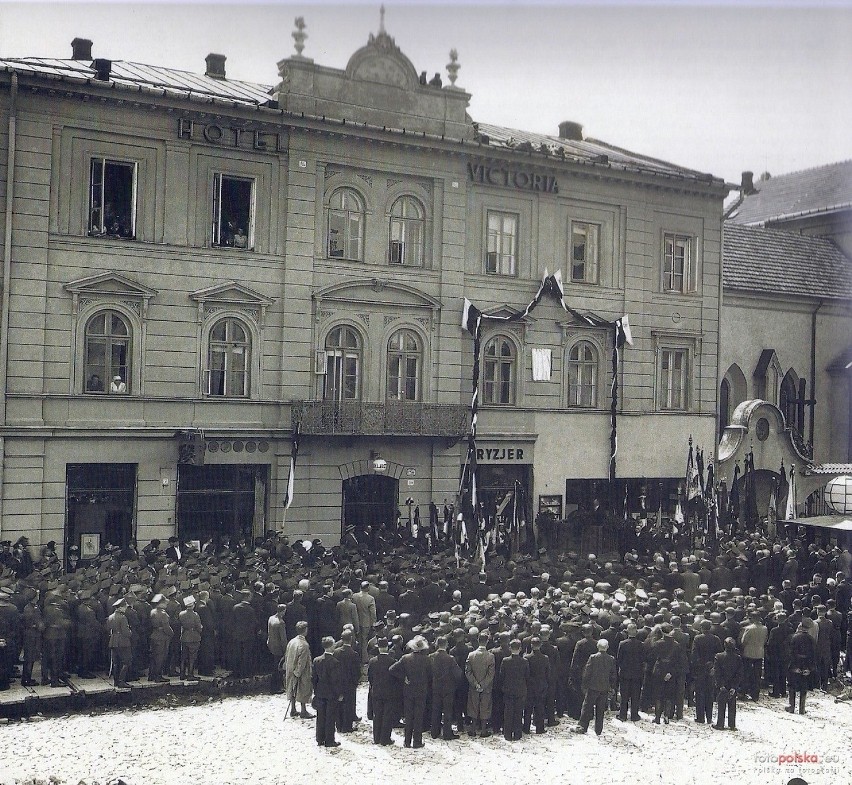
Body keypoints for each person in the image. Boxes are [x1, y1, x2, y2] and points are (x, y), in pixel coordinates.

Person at [389, 634, 431, 748]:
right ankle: (417, 741)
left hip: (408, 690)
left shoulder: (405, 658)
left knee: (408, 716)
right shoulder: (427, 660)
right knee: (418, 716)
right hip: (421, 690)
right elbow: (431, 675)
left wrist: (404, 677)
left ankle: (407, 741)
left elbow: (392, 669)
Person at [573, 639, 616, 736]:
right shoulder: (611, 659)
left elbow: (587, 672)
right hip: (604, 688)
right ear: (607, 647)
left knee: (587, 707)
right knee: (600, 710)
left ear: (597, 646)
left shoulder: (593, 658)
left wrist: (584, 685)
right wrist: (612, 687)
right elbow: (613, 674)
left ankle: (583, 726)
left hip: (592, 687)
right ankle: (598, 729)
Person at [312, 636, 343, 748]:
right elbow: (336, 681)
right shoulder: (335, 662)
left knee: (320, 716)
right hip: (331, 694)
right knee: (330, 717)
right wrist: (339, 693)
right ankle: (329, 740)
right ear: (330, 646)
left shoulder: (317, 660)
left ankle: (320, 739)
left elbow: (314, 678)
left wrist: (316, 691)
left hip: (320, 693)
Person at [430, 635, 462, 740]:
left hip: (435, 687)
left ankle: (434, 732)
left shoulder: (431, 657)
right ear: (446, 645)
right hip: (448, 688)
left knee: (436, 710)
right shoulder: (450, 658)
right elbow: (458, 673)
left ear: (436, 644)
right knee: (447, 711)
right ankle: (447, 733)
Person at [691, 619, 723, 724]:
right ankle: (709, 717)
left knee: (700, 693)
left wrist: (697, 666)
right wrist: (714, 666)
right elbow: (719, 654)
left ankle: (700, 717)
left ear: (701, 627)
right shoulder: (716, 639)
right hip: (711, 669)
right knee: (710, 693)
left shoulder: (698, 638)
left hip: (700, 669)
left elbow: (694, 655)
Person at [368, 638, 398, 745]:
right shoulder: (392, 661)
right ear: (387, 647)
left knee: (377, 715)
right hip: (389, 692)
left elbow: (370, 677)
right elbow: (395, 678)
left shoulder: (372, 661)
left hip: (376, 691)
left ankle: (376, 738)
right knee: (387, 715)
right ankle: (385, 738)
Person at [465, 630, 496, 737]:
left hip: (473, 686)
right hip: (486, 687)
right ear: (487, 642)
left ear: (478, 641)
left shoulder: (471, 655)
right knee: (485, 707)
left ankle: (473, 729)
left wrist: (475, 683)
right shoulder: (490, 656)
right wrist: (483, 684)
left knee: (473, 706)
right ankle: (483, 730)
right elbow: (491, 673)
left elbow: (468, 671)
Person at [499, 638, 529, 741]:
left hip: (508, 689)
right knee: (518, 712)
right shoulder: (524, 661)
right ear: (520, 648)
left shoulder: (505, 661)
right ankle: (517, 734)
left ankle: (507, 734)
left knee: (508, 712)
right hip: (520, 689)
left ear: (510, 648)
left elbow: (501, 675)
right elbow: (527, 676)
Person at [616, 623, 646, 722]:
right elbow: (643, 659)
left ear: (628, 631)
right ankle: (634, 715)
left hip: (625, 673)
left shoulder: (623, 644)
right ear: (636, 631)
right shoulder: (641, 645)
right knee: (635, 695)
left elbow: (619, 659)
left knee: (624, 695)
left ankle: (622, 715)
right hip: (637, 673)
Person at [711, 637, 743, 731]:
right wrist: (734, 686)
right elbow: (739, 673)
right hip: (732, 684)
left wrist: (720, 685)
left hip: (723, 685)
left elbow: (717, 672)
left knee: (721, 705)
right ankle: (732, 725)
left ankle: (720, 724)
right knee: (732, 705)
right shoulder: (738, 658)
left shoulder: (719, 656)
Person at [284, 620, 314, 719]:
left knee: (292, 689)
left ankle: (293, 709)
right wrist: (298, 672)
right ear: (305, 630)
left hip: (290, 668)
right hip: (300, 671)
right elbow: (302, 661)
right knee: (302, 689)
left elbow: (287, 655)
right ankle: (303, 710)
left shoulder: (291, 641)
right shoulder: (304, 645)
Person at [786, 622, 817, 715]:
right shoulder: (811, 639)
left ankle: (791, 707)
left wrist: (792, 666)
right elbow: (814, 655)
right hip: (806, 664)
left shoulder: (794, 637)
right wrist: (810, 669)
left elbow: (790, 653)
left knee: (792, 686)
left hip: (795, 663)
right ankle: (802, 709)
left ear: (800, 627)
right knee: (804, 687)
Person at [107, 597, 132, 688]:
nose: (126, 608)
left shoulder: (110, 617)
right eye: (125, 607)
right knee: (126, 661)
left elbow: (108, 629)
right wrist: (130, 632)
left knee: (116, 662)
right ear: (120, 607)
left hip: (113, 640)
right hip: (123, 641)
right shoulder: (123, 617)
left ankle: (116, 681)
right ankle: (121, 681)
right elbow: (126, 632)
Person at [148, 593, 173, 683]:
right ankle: (158, 676)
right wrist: (171, 634)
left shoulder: (153, 611)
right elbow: (166, 627)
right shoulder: (163, 614)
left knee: (154, 656)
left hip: (154, 635)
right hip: (162, 637)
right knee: (161, 657)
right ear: (161, 603)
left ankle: (151, 675)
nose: (166, 604)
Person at [178, 595, 203, 681]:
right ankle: (190, 674)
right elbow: (199, 627)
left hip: (184, 636)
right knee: (192, 657)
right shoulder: (195, 615)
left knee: (183, 657)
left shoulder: (181, 614)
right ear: (192, 605)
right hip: (193, 637)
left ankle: (182, 674)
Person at [267, 604, 288, 694]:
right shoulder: (281, 623)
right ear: (283, 611)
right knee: (278, 669)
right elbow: (283, 639)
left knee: (274, 667)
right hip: (278, 648)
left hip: (271, 645)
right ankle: (276, 688)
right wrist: (286, 651)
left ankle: (274, 686)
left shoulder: (271, 618)